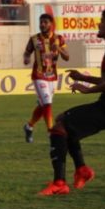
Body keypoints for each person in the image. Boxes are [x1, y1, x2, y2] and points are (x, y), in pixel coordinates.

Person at [39, 8, 105, 196]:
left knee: (60, 126)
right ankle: (81, 171)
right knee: (66, 126)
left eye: (102, 21)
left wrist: (87, 89)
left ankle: (60, 183)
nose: (99, 24)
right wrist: (83, 78)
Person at [22, 13, 69, 142]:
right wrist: (26, 58)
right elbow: (27, 52)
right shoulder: (34, 39)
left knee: (44, 105)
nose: (42, 24)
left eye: (45, 22)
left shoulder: (59, 39)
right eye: (41, 22)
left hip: (52, 76)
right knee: (47, 102)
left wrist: (58, 48)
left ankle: (29, 126)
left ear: (51, 24)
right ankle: (51, 132)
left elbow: (67, 57)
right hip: (39, 75)